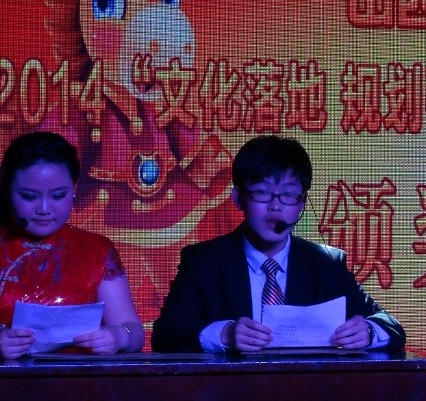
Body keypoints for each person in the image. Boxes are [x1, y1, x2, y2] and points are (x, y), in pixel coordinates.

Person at [152, 135, 406, 353]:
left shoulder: (326, 264)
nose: (276, 206)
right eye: (263, 192)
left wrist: (368, 332)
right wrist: (225, 334)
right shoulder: (203, 262)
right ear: (238, 197)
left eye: (289, 194)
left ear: (302, 204)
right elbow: (165, 335)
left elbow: (391, 326)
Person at [0, 131, 143, 359]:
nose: (44, 209)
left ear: (74, 190)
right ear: (8, 191)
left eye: (58, 196)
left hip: (79, 379)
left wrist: (118, 337)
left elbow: (133, 329)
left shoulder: (97, 250)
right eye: (29, 196)